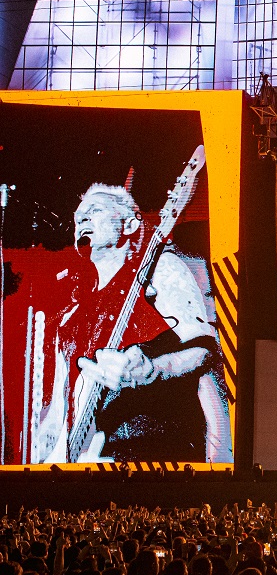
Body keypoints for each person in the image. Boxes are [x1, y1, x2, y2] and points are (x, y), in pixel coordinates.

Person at [36, 183, 232, 464]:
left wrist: (151, 369)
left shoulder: (158, 269)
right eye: (79, 216)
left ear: (129, 224)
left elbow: (204, 350)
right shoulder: (75, 307)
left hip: (153, 452)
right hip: (96, 458)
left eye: (95, 210)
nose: (82, 219)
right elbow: (63, 400)